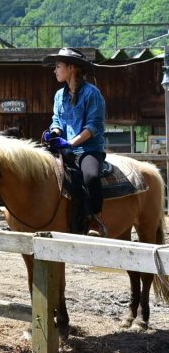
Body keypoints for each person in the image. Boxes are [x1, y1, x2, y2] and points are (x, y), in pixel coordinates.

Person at [42, 47, 106, 235]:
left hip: (88, 150)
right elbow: (57, 120)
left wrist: (70, 143)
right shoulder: (59, 95)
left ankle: (94, 219)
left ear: (71, 68)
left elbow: (93, 127)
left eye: (58, 66)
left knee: (91, 177)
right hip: (66, 149)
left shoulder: (92, 94)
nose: (55, 70)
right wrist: (53, 132)